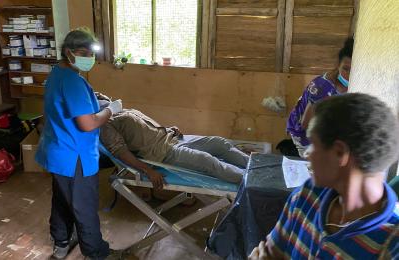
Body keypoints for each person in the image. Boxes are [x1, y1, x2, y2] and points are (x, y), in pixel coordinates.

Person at [249, 93, 399, 259]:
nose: (307, 154)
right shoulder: (306, 195)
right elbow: (265, 253)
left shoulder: (391, 243)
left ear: (339, 153)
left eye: (313, 144)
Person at [35, 28, 123, 260]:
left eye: (91, 53)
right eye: (83, 53)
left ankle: (62, 243)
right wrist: (110, 110)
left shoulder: (57, 73)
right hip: (75, 156)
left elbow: (68, 107)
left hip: (58, 152)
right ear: (68, 52)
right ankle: (96, 254)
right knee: (83, 207)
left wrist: (95, 103)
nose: (88, 58)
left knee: (63, 201)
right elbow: (87, 124)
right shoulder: (73, 81)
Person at [97, 95, 249, 188]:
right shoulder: (106, 125)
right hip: (162, 153)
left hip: (172, 138)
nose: (104, 97)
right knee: (207, 161)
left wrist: (169, 128)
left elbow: (144, 130)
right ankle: (251, 180)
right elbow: (121, 152)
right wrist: (148, 170)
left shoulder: (120, 110)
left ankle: (256, 166)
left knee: (219, 142)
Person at [287, 37, 354, 157]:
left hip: (316, 126)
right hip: (303, 133)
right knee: (316, 166)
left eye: (353, 69)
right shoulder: (323, 88)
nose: (349, 74)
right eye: (345, 69)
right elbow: (306, 125)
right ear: (338, 65)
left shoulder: (347, 87)